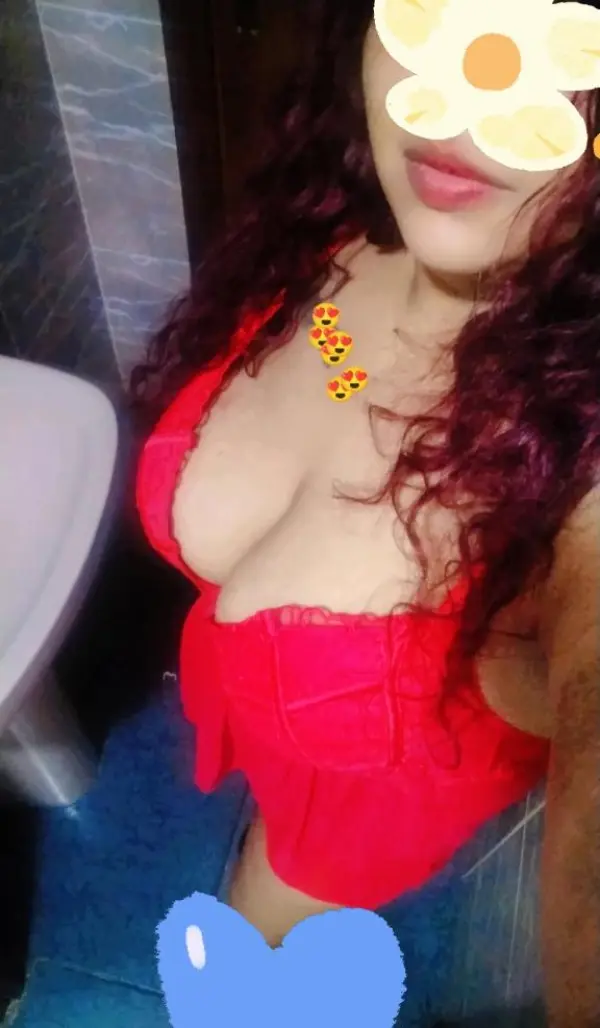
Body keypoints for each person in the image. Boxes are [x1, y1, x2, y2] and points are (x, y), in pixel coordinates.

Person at [132, 2, 600, 1023]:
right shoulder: (347, 243)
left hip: (331, 860)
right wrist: (372, 408)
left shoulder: (578, 475)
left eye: (568, 33)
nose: (468, 94)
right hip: (273, 758)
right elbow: (345, 367)